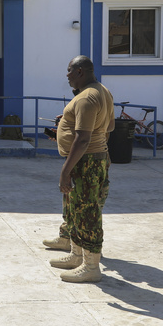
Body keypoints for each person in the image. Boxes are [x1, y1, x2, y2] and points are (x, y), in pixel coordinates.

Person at [47, 55, 113, 283]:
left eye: (69, 71)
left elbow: (83, 139)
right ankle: (77, 255)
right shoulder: (102, 91)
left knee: (88, 212)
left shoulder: (87, 98)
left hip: (86, 161)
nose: (66, 76)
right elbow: (107, 126)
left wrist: (65, 171)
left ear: (80, 72)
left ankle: (91, 267)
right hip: (93, 158)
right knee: (77, 208)